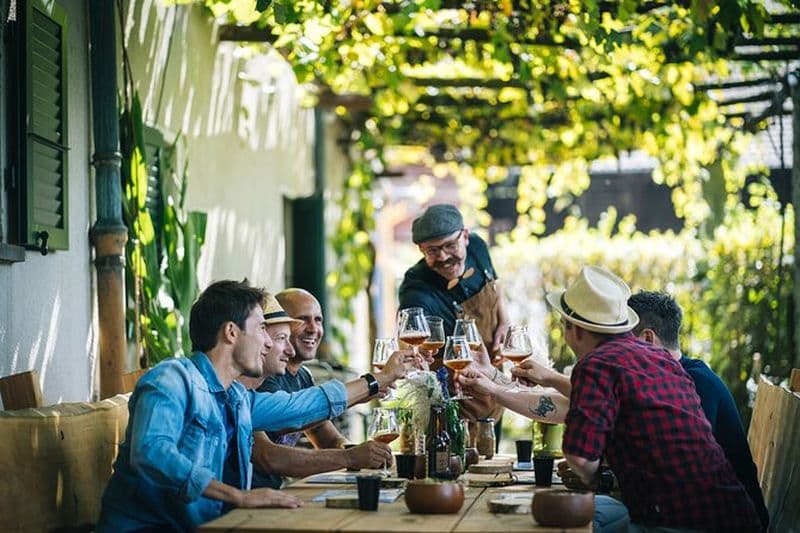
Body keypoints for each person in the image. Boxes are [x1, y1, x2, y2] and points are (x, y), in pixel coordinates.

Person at [97, 280, 407, 532]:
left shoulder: (236, 397)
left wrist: (376, 382)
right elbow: (151, 452)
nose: (270, 343)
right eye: (261, 329)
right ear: (231, 332)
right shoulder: (171, 379)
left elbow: (300, 407)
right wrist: (237, 496)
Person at [549, 266, 760, 532]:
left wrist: (589, 477)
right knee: (599, 512)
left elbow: (581, 458)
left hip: (681, 523)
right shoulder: (661, 358)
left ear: (576, 330)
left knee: (566, 520)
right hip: (736, 517)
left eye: (564, 325)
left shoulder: (595, 365)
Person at [628, 290, 769, 531]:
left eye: (623, 341)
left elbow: (673, 466)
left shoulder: (696, 382)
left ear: (647, 339)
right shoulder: (669, 378)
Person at [239, 293, 394, 489]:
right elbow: (270, 454)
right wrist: (350, 457)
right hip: (251, 497)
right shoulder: (256, 382)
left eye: (318, 320)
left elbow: (326, 436)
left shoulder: (303, 375)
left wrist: (365, 453)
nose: (313, 328)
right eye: (303, 320)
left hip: (272, 494)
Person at [397, 204, 508, 424]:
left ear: (465, 236)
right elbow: (407, 340)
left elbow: (495, 285)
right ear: (421, 250)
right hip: (456, 403)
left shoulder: (477, 247)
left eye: (450, 245)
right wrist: (416, 352)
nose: (444, 257)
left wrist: (504, 322)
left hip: (496, 385)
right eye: (432, 251)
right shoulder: (416, 286)